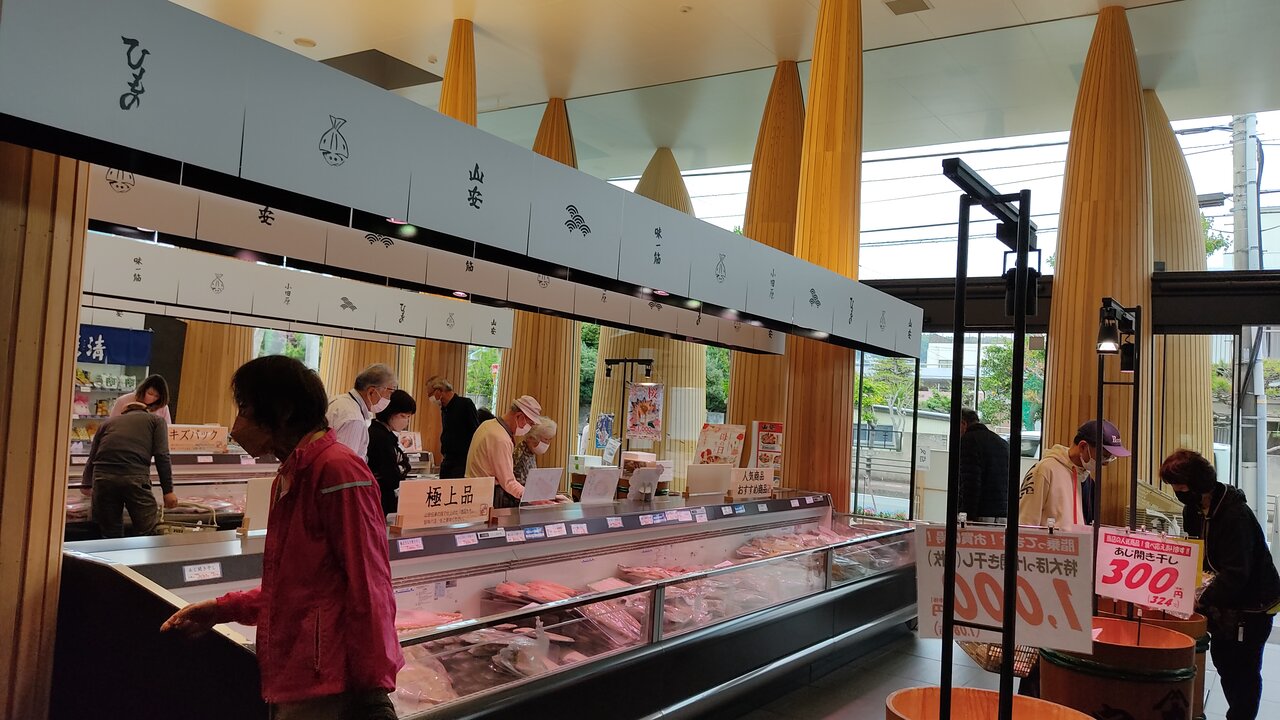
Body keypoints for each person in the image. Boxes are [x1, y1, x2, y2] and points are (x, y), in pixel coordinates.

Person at [161, 356, 402, 719]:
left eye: (245, 408)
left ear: (284, 411)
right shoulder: (291, 474)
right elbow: (295, 587)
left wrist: (372, 689)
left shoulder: (338, 470)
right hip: (297, 677)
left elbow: (370, 584)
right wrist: (222, 609)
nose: (237, 425)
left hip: (329, 685)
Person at [1160, 449, 1280, 720]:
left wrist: (1200, 598)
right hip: (1224, 604)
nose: (1176, 491)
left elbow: (1237, 574)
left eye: (1180, 486)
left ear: (1198, 483)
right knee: (1224, 661)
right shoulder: (1193, 510)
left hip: (1252, 606)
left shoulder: (1235, 515)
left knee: (1243, 671)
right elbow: (1197, 554)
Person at [81, 401, 178, 537]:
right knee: (147, 531)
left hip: (103, 478)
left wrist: (86, 483)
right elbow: (162, 455)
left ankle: (113, 550)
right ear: (146, 410)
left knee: (109, 534)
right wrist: (168, 491)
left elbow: (92, 456)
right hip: (134, 476)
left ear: (124, 412)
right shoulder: (156, 421)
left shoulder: (107, 423)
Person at [1018, 419, 1128, 529]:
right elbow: (1025, 523)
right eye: (1104, 456)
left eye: (1111, 458)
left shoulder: (1086, 479)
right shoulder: (1044, 471)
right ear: (1083, 446)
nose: (1106, 463)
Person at [465, 395, 542, 508]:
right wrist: (533, 497)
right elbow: (508, 482)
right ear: (519, 416)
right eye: (530, 424)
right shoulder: (501, 439)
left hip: (470, 491)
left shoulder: (488, 424)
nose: (529, 428)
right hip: (487, 495)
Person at [327, 363, 397, 460]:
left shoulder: (340, 401)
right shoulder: (354, 419)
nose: (389, 399)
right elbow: (345, 462)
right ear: (372, 392)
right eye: (389, 393)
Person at [367, 389, 416, 516]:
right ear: (389, 413)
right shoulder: (380, 437)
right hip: (380, 499)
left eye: (408, 417)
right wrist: (400, 469)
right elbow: (392, 476)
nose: (406, 421)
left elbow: (403, 465)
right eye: (403, 416)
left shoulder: (386, 434)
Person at [957, 408, 1009, 523]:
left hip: (981, 513)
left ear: (963, 423)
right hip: (1002, 514)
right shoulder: (1002, 443)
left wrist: (966, 516)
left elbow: (970, 483)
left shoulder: (968, 440)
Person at [425, 376, 479, 479]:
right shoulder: (444, 409)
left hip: (462, 461)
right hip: (447, 459)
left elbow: (475, 432)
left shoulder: (465, 404)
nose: (430, 398)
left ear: (439, 391)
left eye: (430, 394)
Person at [513, 417, 557, 487]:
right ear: (531, 438)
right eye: (546, 439)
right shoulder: (519, 453)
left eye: (550, 440)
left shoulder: (530, 452)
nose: (548, 443)